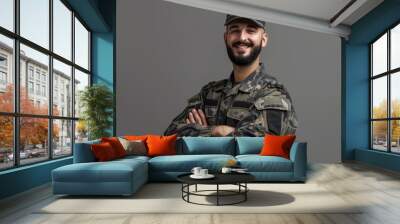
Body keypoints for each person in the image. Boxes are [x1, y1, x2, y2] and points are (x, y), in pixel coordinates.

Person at [164, 14, 298, 137]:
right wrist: (217, 131)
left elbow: (258, 145)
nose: (242, 38)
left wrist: (200, 134)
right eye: (235, 30)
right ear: (226, 37)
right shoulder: (209, 93)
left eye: (250, 31)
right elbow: (169, 136)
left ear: (263, 39)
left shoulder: (274, 96)